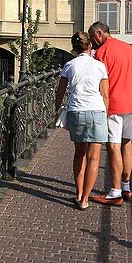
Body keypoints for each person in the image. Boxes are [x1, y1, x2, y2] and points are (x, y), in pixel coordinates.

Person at [54, 31, 109, 211]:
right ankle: (85, 199)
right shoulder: (99, 66)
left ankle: (78, 193)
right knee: (94, 158)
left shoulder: (69, 65)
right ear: (90, 46)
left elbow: (60, 92)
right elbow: (105, 94)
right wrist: (105, 114)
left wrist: (56, 110)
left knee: (80, 154)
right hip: (96, 111)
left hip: (76, 111)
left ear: (74, 47)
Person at [89, 21, 132, 202]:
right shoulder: (128, 48)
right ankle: (126, 186)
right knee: (127, 144)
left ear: (99, 33)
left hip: (114, 103)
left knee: (113, 147)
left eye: (92, 38)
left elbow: (99, 81)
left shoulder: (102, 52)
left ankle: (115, 192)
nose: (92, 42)